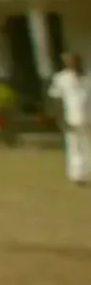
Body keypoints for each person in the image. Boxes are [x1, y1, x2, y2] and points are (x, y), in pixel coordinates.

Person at [49, 52, 88, 186]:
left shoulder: (88, 78)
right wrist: (60, 118)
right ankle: (78, 175)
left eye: (75, 61)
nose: (73, 64)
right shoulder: (61, 79)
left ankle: (87, 172)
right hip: (71, 118)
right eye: (69, 62)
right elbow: (57, 100)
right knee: (74, 147)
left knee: (88, 146)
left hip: (88, 118)